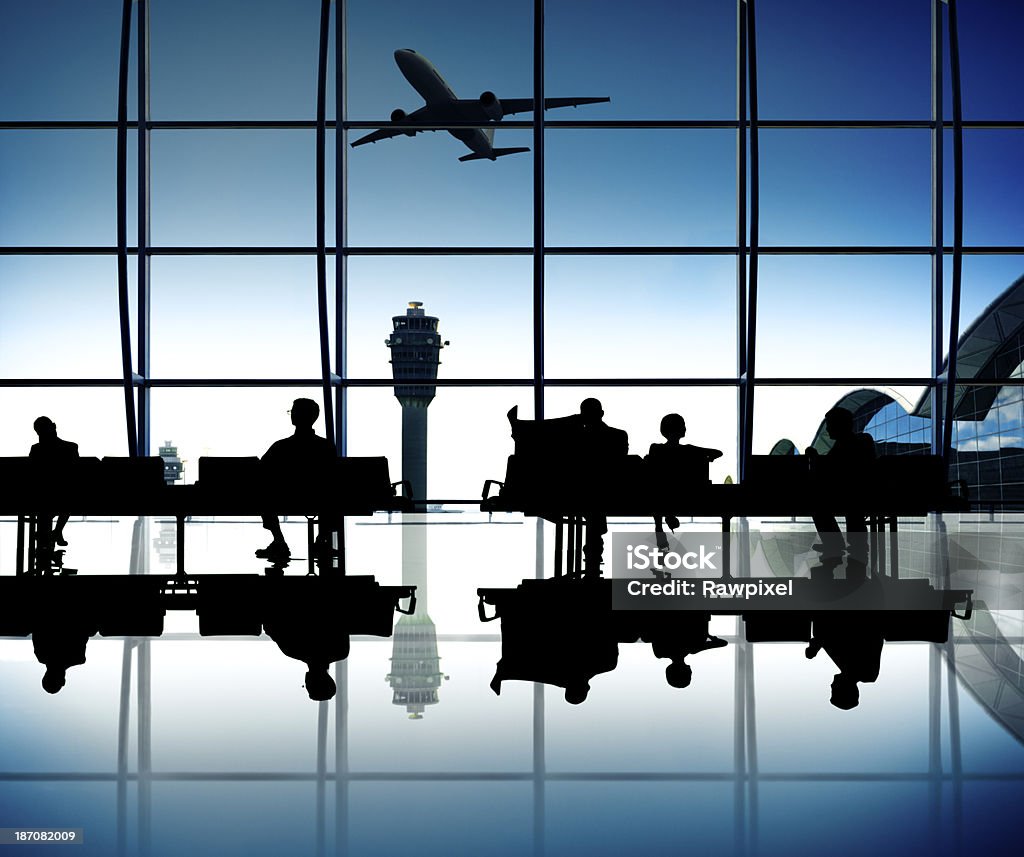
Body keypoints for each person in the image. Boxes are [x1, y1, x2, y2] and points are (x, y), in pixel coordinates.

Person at [257, 398, 338, 561]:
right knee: (331, 491)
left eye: (293, 411)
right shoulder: (326, 447)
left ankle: (279, 541)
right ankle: (321, 540)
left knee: (263, 493)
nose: (291, 415)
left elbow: (260, 471)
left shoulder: (281, 447)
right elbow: (333, 477)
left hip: (284, 498)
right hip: (320, 499)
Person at [806, 407, 876, 575]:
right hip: (860, 494)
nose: (828, 429)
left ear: (840, 425)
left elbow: (829, 470)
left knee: (817, 505)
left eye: (830, 425)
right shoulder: (859, 442)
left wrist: (814, 458)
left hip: (850, 495)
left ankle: (834, 544)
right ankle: (843, 546)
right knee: (848, 508)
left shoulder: (845, 445)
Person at [646, 413, 722, 549]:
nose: (685, 429)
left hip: (660, 495)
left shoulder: (656, 448)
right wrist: (704, 457)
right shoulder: (689, 450)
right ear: (680, 429)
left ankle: (659, 525)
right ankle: (667, 516)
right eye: (683, 426)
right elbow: (718, 452)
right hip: (685, 495)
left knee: (659, 484)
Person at [576, 398, 628, 575]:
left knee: (590, 502)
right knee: (595, 501)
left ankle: (592, 552)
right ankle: (593, 551)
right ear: (601, 414)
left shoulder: (576, 440)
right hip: (609, 490)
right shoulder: (618, 436)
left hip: (585, 491)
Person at [29, 416, 79, 550]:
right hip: (63, 493)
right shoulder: (71, 447)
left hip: (43, 494)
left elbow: (32, 475)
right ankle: (56, 532)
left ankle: (47, 538)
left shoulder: (36, 450)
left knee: (45, 500)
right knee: (66, 495)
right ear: (54, 426)